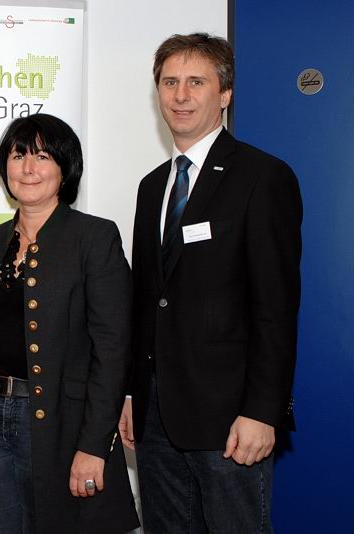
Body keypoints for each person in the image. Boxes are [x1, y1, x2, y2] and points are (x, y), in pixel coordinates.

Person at [118, 33, 302, 533]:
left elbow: (275, 307)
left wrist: (262, 411)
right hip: (156, 418)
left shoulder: (262, 176)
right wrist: (133, 394)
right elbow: (147, 300)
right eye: (169, 82)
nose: (180, 95)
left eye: (196, 82)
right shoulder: (152, 186)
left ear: (225, 94)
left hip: (230, 419)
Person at [0, 114, 139, 534]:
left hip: (58, 423)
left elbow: (113, 349)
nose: (28, 168)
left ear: (65, 169)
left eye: (43, 157)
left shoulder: (94, 238)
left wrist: (94, 445)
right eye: (18, 156)